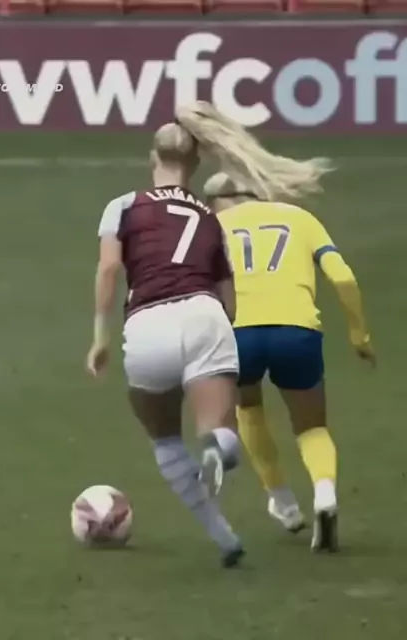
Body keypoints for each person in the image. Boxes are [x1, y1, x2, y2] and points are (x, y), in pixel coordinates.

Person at [176, 101, 375, 553]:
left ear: (220, 201)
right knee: (312, 427)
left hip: (238, 334)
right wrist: (359, 334)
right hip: (297, 331)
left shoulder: (211, 226)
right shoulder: (299, 218)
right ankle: (324, 494)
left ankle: (282, 501)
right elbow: (343, 277)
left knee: (249, 411)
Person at [86, 121, 244, 567]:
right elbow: (230, 300)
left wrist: (100, 336)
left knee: (165, 438)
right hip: (204, 314)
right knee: (220, 429)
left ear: (153, 157)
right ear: (195, 163)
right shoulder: (210, 218)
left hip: (148, 323)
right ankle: (219, 448)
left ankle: (224, 537)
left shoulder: (123, 206)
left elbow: (109, 269)